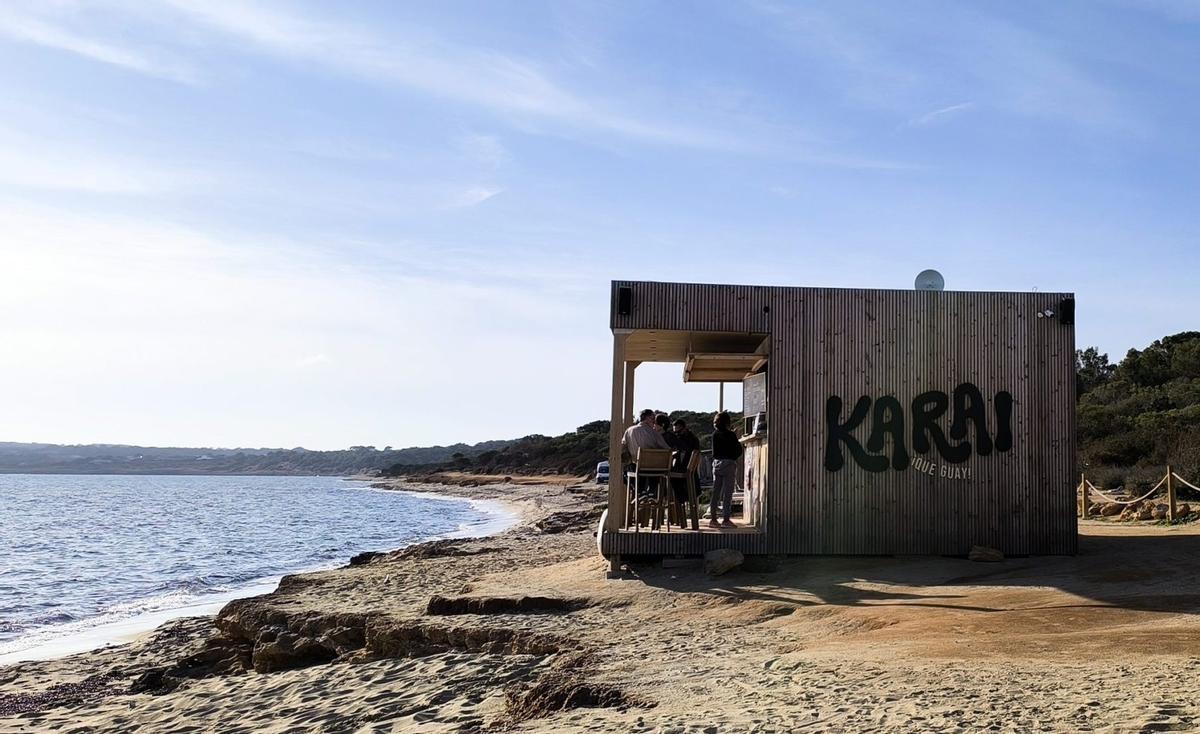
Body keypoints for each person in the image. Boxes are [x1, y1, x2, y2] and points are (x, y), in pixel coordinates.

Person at [622, 409, 670, 500]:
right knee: (656, 469)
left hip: (637, 467)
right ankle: (652, 491)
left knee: (626, 471)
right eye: (653, 418)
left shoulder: (629, 431)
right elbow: (667, 449)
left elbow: (623, 447)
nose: (654, 421)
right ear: (647, 418)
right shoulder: (654, 433)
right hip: (653, 469)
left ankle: (639, 490)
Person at [709, 411, 743, 528]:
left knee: (716, 492)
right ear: (727, 422)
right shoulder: (731, 435)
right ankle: (726, 519)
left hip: (717, 464)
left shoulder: (714, 435)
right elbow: (738, 450)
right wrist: (736, 437)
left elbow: (714, 452)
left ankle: (713, 519)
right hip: (729, 464)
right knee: (727, 493)